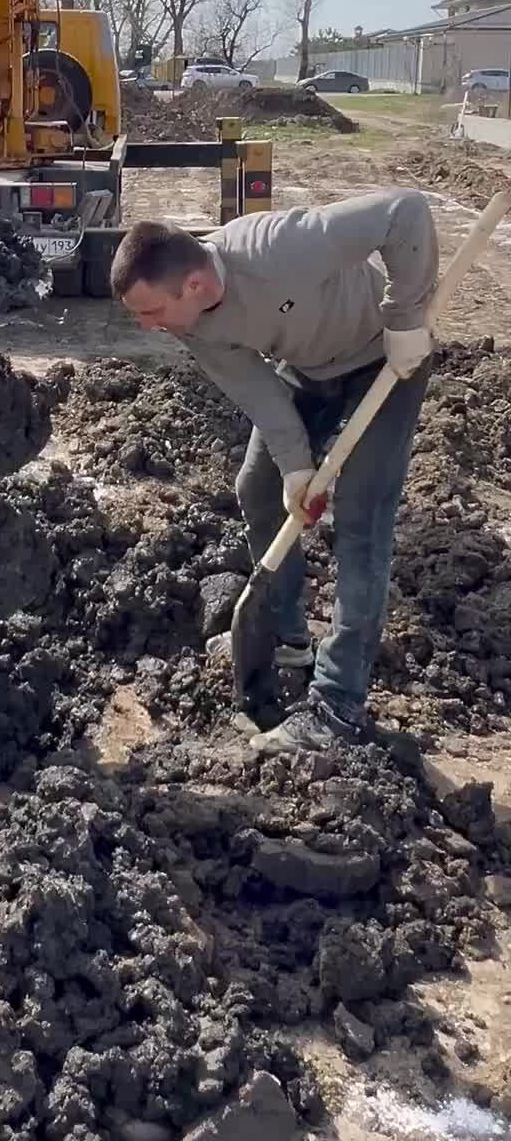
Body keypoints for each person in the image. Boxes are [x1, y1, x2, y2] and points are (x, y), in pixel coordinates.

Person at [110, 192, 438, 756]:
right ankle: (289, 637)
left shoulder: (278, 247)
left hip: (386, 360)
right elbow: (258, 390)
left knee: (361, 517)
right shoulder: (190, 324)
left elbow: (404, 213)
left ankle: (338, 702)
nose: (148, 327)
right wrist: (295, 468)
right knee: (258, 488)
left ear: (192, 284)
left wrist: (406, 319)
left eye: (151, 312)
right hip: (308, 370)